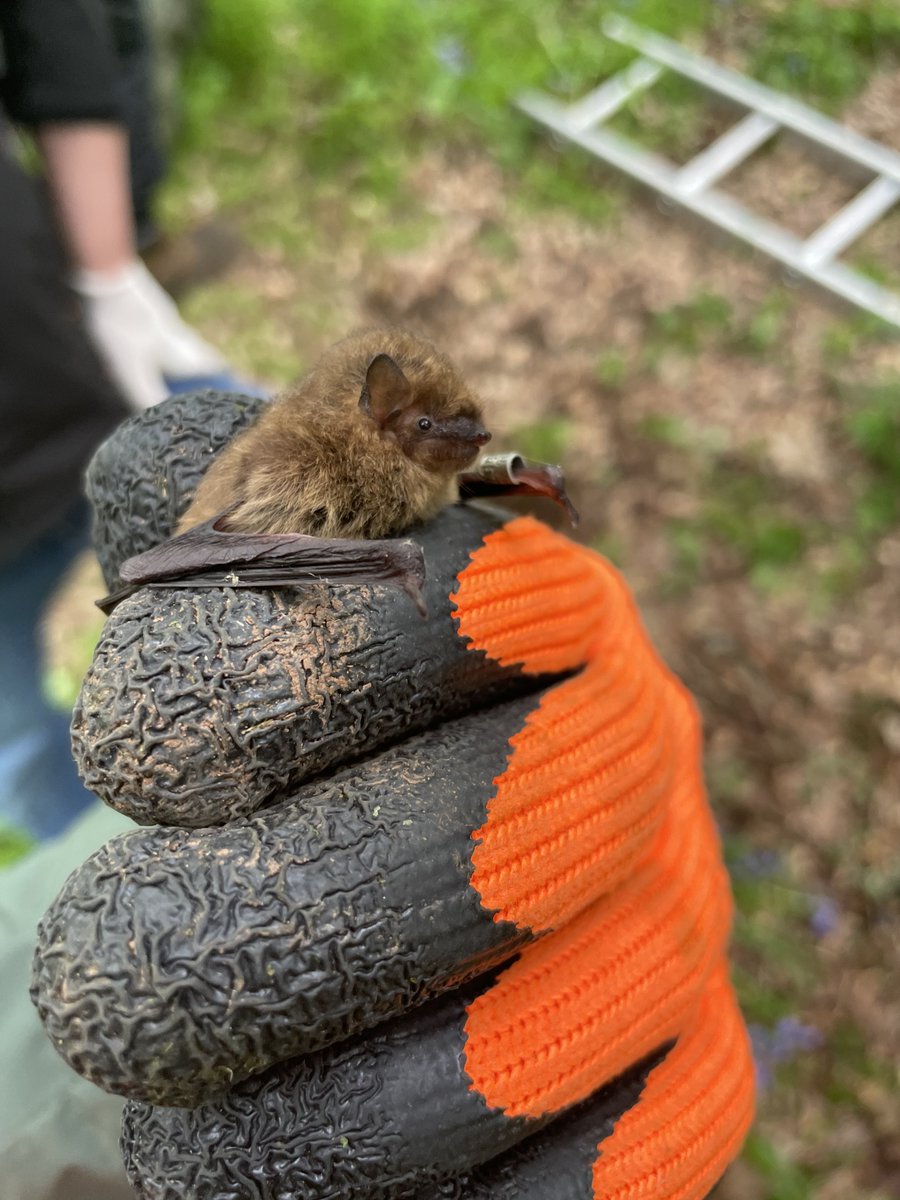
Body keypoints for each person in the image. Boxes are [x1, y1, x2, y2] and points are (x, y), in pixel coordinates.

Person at [0, 0, 245, 839]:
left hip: (61, 358)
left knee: (354, 537)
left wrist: (110, 275)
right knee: (21, 751)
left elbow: (53, 30)